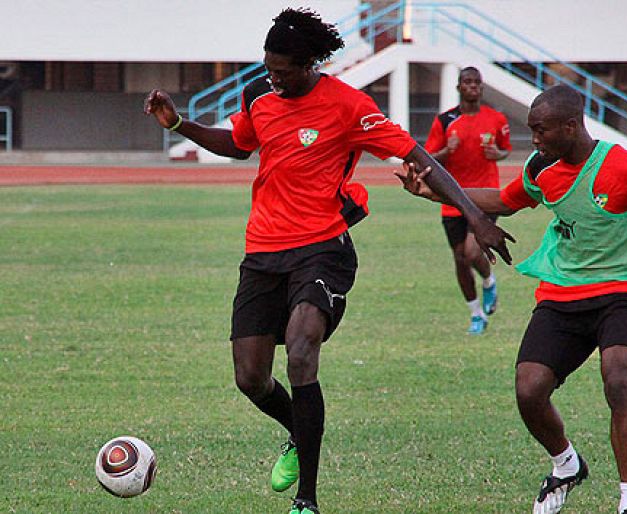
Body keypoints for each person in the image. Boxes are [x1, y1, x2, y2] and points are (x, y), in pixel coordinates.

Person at [144, 8, 513, 514]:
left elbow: (418, 157)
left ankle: (307, 500)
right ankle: (297, 430)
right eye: (268, 68)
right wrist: (180, 123)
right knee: (250, 378)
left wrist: (473, 214)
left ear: (312, 62)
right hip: (263, 251)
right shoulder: (260, 96)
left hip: (323, 249)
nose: (273, 79)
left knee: (300, 351)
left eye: (283, 71)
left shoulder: (349, 106)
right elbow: (238, 145)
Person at [396, 84, 627, 514]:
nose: (533, 140)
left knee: (618, 377)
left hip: (621, 291)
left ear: (571, 127)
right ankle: (566, 464)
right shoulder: (541, 169)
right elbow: (503, 201)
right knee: (529, 389)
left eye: (540, 131)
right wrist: (431, 193)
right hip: (562, 293)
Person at [424, 67, 512, 334]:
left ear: (482, 88)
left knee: (474, 251)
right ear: (459, 87)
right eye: (467, 82)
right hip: (451, 197)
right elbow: (428, 159)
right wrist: (445, 151)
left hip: (484, 196)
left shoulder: (496, 119)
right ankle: (476, 313)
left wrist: (497, 153)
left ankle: (488, 281)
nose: (473, 86)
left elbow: (504, 150)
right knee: (461, 258)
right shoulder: (444, 121)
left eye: (477, 82)